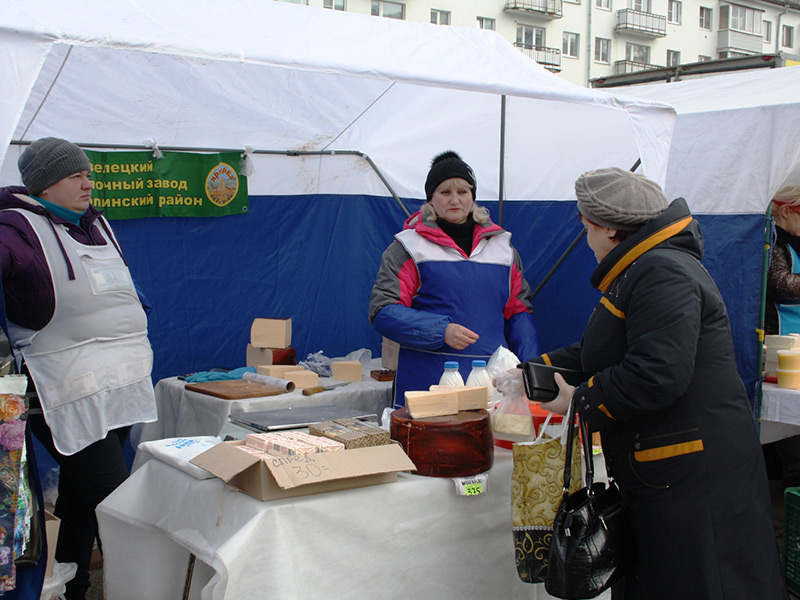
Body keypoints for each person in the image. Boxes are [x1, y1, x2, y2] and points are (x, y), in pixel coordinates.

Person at [519, 168, 787, 599]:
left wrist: (581, 401)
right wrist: (530, 373)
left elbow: (657, 373)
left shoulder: (663, 272)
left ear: (608, 228)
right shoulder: (642, 269)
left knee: (702, 583)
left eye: (586, 227)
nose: (586, 239)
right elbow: (600, 351)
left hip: (691, 477)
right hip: (665, 469)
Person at [0, 138, 158, 600]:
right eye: (77, 175)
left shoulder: (95, 224)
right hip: (64, 391)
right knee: (114, 498)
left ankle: (77, 587)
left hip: (116, 385)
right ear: (47, 184)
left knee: (80, 495)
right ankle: (138, 588)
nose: (89, 182)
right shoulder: (15, 229)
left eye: (89, 173)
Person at [369, 151, 539, 406]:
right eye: (445, 192)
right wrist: (441, 331)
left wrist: (529, 369)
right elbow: (383, 310)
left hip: (492, 385)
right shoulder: (408, 248)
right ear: (430, 199)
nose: (454, 200)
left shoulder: (504, 249)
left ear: (473, 196)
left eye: (463, 191)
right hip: (427, 385)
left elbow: (518, 312)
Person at [764, 184, 800, 490]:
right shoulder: (773, 242)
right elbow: (780, 284)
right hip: (782, 345)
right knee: (792, 431)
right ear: (786, 212)